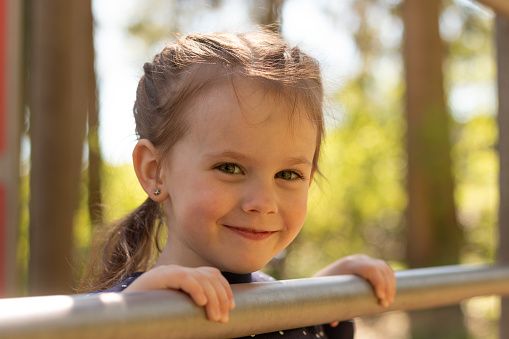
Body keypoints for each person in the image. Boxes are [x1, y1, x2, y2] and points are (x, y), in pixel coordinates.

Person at [81, 30, 395, 338]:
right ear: (155, 171)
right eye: (230, 168)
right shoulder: (106, 318)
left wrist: (319, 300)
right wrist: (131, 322)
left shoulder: (291, 316)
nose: (263, 202)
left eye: (287, 175)